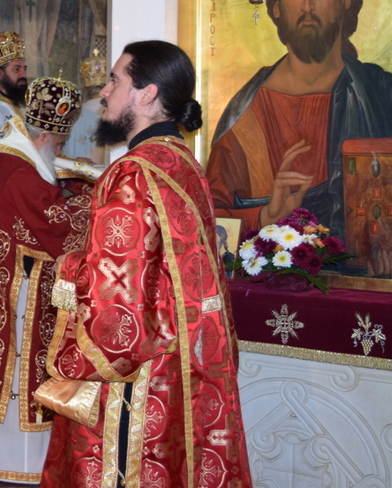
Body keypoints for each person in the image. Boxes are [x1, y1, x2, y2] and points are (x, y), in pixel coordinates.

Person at [41, 40, 251, 487]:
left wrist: (69, 267)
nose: (104, 91)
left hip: (137, 381)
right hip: (180, 367)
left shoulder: (133, 172)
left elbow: (118, 305)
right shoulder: (183, 163)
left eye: (115, 80)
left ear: (147, 94)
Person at [207, 0, 392, 237]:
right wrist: (266, 215)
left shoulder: (388, 98)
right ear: (276, 5)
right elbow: (211, 218)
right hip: (271, 265)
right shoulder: (245, 113)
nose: (307, 5)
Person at [0, 76, 92, 484]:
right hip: (18, 289)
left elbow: (47, 179)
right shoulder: (17, 168)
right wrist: (96, 202)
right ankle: (19, 463)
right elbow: (56, 225)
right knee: (17, 370)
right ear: (45, 135)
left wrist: (74, 175)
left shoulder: (6, 147)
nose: (60, 150)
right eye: (59, 142)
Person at [0, 30, 29, 130]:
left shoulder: (21, 103)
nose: (23, 75)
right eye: (16, 69)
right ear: (0, 73)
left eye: (24, 69)